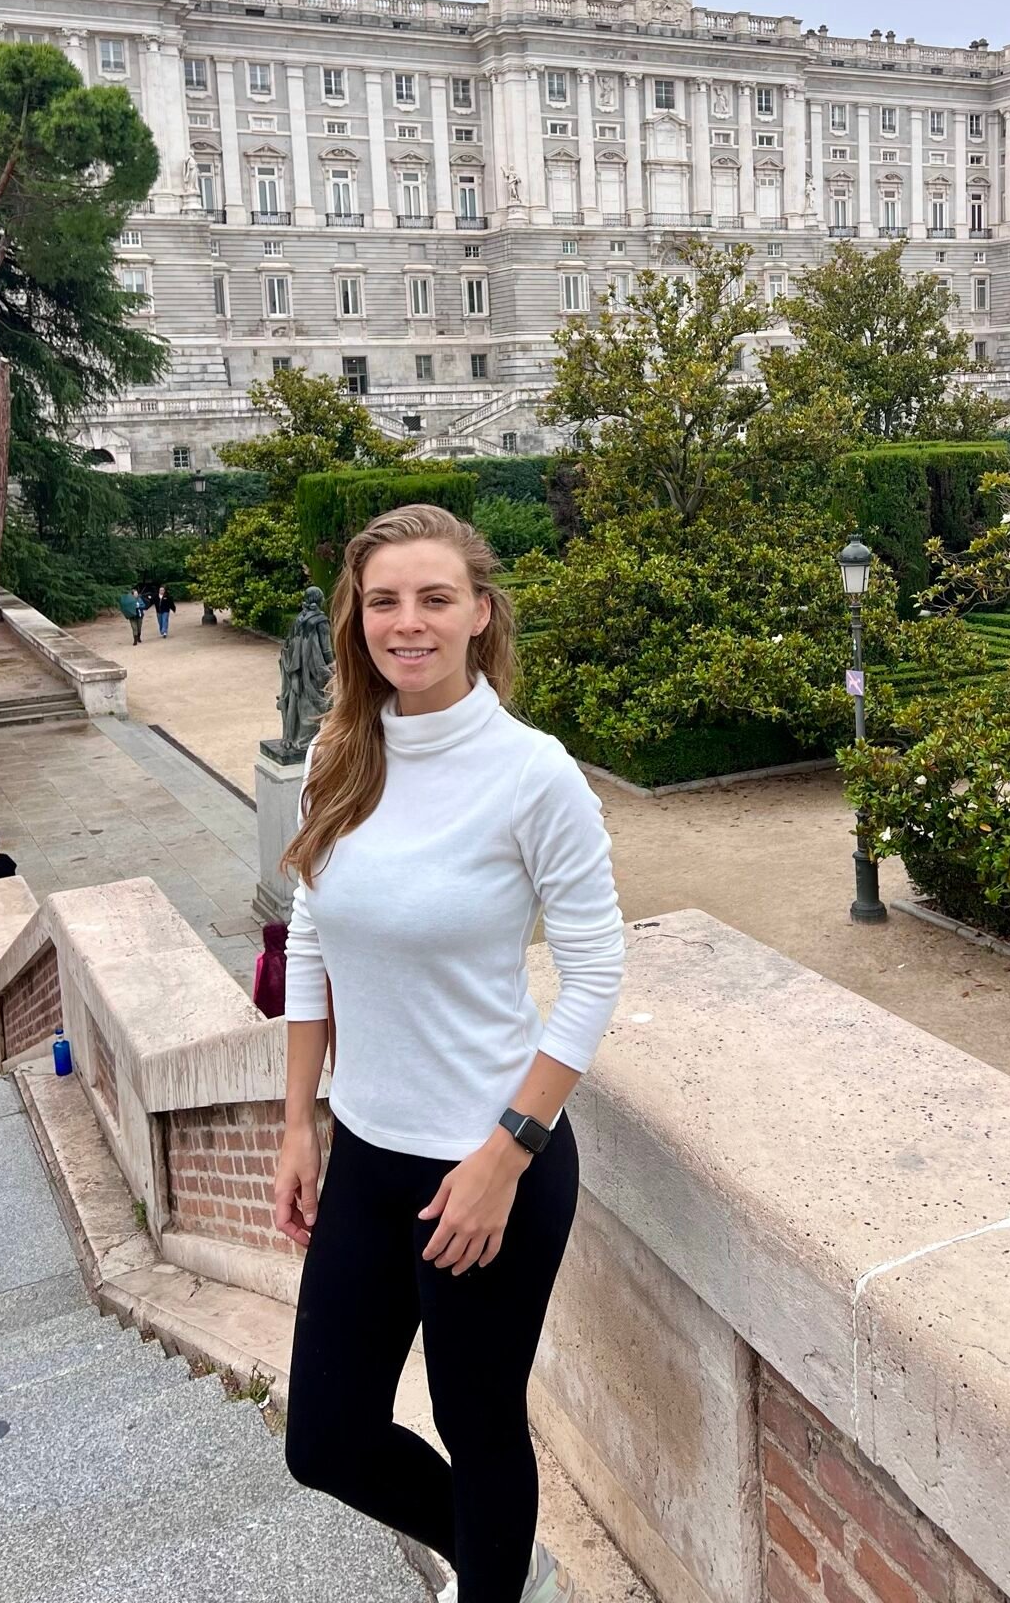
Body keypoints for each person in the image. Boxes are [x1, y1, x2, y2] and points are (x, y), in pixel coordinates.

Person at [275, 503, 625, 1603]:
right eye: (384, 600)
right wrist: (298, 1120)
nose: (407, 621)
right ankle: (505, 1565)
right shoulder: (339, 755)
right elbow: (312, 937)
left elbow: (596, 972)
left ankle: (492, 1584)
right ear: (357, 616)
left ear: (481, 611)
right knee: (324, 1439)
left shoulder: (533, 775)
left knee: (480, 1424)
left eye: (434, 598)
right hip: (370, 1154)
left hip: (492, 1160)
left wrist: (505, 1154)